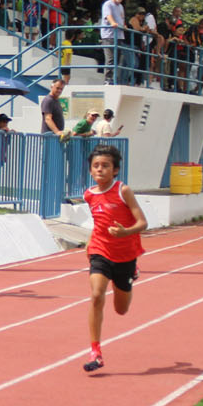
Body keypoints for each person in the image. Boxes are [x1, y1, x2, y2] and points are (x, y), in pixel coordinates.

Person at [82, 144, 148, 372]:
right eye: (96, 166)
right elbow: (99, 222)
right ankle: (95, 351)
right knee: (96, 295)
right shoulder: (89, 194)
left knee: (121, 309)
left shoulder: (123, 191)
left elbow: (143, 223)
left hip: (125, 254)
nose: (100, 169)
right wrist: (91, 241)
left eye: (105, 165)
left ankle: (132, 273)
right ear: (90, 170)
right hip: (100, 250)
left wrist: (125, 232)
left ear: (115, 170)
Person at [99, 0, 125, 84]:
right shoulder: (108, 4)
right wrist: (113, 23)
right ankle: (107, 79)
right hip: (109, 35)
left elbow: (121, 18)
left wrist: (123, 26)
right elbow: (108, 16)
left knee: (117, 59)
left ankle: (113, 79)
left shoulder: (121, 6)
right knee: (110, 58)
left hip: (119, 35)